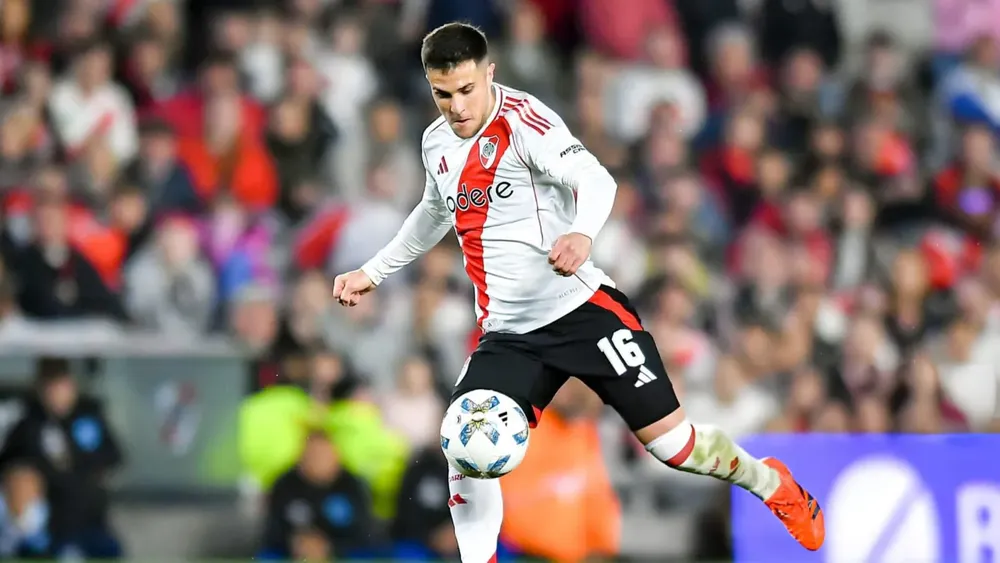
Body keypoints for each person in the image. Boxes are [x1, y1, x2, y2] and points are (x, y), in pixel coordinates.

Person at [332, 22, 825, 563]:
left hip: (581, 311)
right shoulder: (436, 143)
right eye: (442, 94)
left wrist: (581, 233)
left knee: (675, 448)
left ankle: (769, 483)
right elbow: (432, 213)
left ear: (489, 74)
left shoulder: (525, 122)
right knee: (464, 447)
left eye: (467, 90)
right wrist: (374, 272)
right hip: (510, 334)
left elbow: (597, 181)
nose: (457, 107)